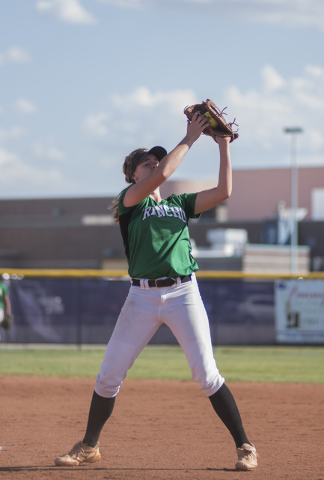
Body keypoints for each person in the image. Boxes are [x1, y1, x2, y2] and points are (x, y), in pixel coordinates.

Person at [54, 112, 258, 471]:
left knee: (206, 374)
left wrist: (224, 145)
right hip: (142, 297)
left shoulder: (178, 205)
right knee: (109, 375)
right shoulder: (131, 202)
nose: (155, 164)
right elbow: (165, 173)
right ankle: (89, 446)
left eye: (156, 160)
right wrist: (191, 137)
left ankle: (245, 446)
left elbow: (225, 192)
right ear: (134, 175)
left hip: (183, 293)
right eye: (146, 162)